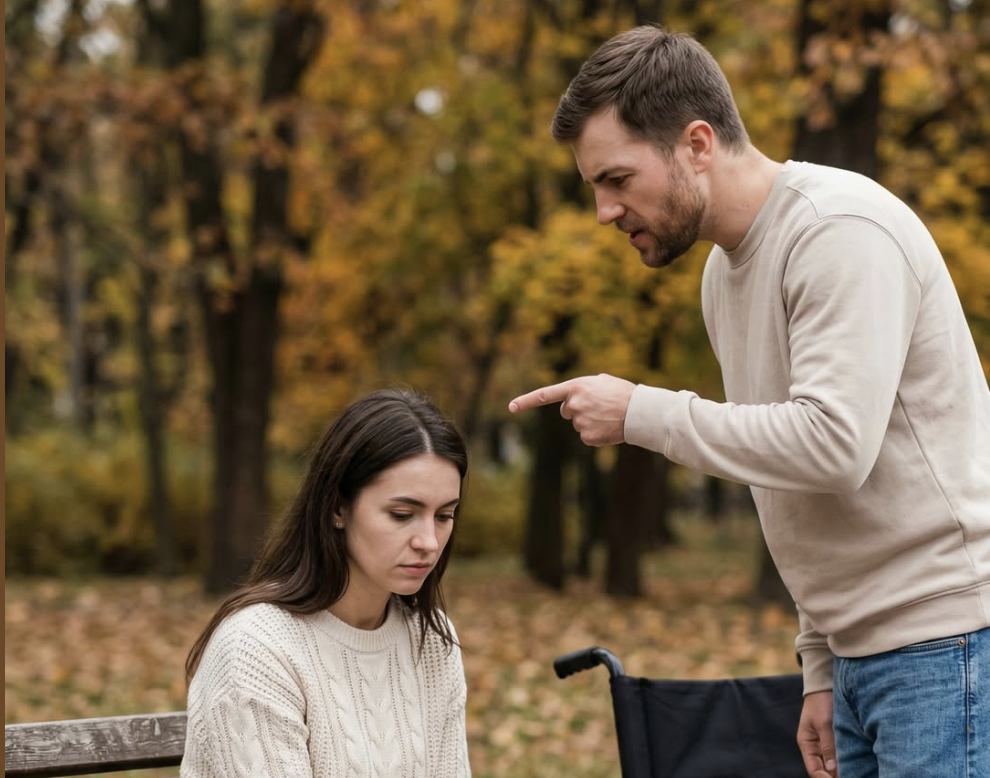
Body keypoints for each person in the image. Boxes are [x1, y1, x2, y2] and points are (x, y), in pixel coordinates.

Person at [508, 24, 990, 778]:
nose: (605, 211)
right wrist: (822, 665)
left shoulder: (837, 232)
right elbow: (788, 478)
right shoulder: (723, 276)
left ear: (697, 143)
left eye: (618, 179)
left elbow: (832, 446)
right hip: (863, 657)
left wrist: (641, 412)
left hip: (948, 647)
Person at [181, 388, 472, 778]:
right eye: (403, 514)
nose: (429, 542)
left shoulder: (432, 641)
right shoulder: (257, 649)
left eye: (444, 516)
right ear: (338, 508)